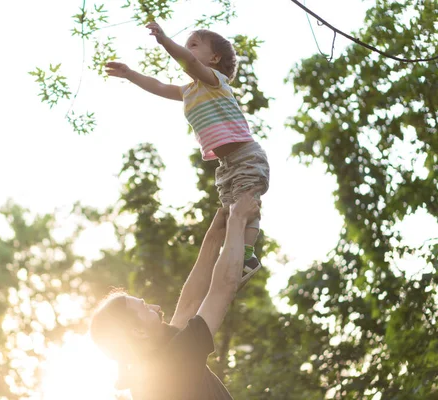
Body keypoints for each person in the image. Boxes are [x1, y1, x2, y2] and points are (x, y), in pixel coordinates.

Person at [105, 22, 270, 274]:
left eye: (192, 45)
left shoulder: (215, 80)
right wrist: (130, 74)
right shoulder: (189, 91)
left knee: (245, 204)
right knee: (229, 212)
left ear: (214, 58)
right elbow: (158, 86)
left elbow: (191, 63)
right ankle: (235, 252)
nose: (186, 50)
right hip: (226, 165)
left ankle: (247, 256)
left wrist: (164, 40)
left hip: (246, 155)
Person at [90, 190, 261, 400]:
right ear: (138, 332)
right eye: (145, 308)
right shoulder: (172, 365)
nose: (157, 308)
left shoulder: (154, 364)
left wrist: (214, 236)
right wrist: (237, 219)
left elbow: (190, 303)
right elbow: (223, 287)